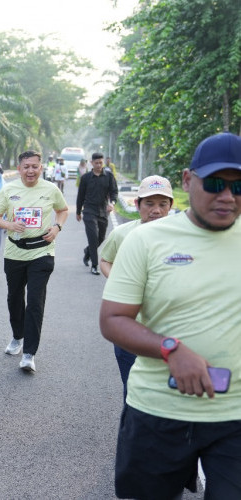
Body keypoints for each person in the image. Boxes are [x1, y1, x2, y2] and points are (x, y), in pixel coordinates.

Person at [100, 132, 241, 499]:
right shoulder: (145, 240)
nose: (227, 196)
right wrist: (171, 349)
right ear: (187, 180)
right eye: (215, 183)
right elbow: (113, 319)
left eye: (238, 186)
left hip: (235, 418)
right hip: (157, 412)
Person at [0, 150, 68, 373]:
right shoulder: (9, 189)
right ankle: (17, 336)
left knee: (34, 302)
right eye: (26, 166)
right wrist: (9, 225)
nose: (30, 170)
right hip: (15, 252)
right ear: (19, 168)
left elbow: (62, 210)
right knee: (14, 298)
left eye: (35, 166)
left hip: (42, 253)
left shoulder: (51, 190)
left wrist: (57, 227)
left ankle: (29, 353)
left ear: (41, 167)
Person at [99, 175, 174, 393]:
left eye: (163, 204)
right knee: (132, 390)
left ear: (171, 206)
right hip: (129, 329)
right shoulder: (122, 233)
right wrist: (119, 283)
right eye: (149, 203)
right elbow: (106, 260)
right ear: (137, 203)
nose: (156, 210)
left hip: (169, 330)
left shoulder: (183, 239)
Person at [76, 152, 118, 275]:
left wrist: (112, 203)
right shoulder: (86, 178)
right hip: (89, 210)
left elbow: (114, 192)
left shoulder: (109, 176)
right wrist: (78, 212)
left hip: (103, 211)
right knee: (93, 237)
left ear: (103, 162)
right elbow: (80, 196)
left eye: (101, 162)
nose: (99, 165)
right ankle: (94, 265)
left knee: (101, 238)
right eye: (96, 163)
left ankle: (88, 251)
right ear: (91, 163)